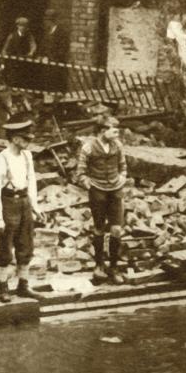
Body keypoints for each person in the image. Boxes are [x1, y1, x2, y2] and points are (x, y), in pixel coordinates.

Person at [0, 120, 44, 302]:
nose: (28, 142)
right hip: (7, 203)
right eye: (25, 138)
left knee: (26, 245)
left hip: (24, 202)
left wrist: (35, 206)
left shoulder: (27, 156)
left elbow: (32, 181)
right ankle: (3, 289)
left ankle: (23, 286)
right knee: (4, 248)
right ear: (15, 138)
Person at [75, 114, 128, 284]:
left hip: (115, 190)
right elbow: (81, 172)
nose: (117, 133)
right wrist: (88, 184)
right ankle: (99, 266)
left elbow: (123, 166)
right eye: (114, 130)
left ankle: (113, 267)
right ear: (103, 130)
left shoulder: (117, 145)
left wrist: (122, 178)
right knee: (99, 228)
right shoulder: (88, 148)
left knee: (116, 229)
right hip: (97, 191)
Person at [0, 16, 37, 91]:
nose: (22, 28)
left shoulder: (29, 35)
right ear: (17, 26)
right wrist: (2, 63)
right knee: (12, 79)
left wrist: (31, 52)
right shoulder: (12, 36)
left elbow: (33, 44)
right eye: (21, 25)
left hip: (23, 61)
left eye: (24, 26)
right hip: (12, 62)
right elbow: (4, 49)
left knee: (23, 80)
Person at [39, 8, 69, 93]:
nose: (46, 23)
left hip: (57, 64)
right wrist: (41, 55)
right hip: (48, 64)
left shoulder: (62, 32)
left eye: (48, 20)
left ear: (53, 21)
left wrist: (52, 58)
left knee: (57, 86)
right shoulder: (47, 31)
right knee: (48, 84)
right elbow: (43, 45)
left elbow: (63, 49)